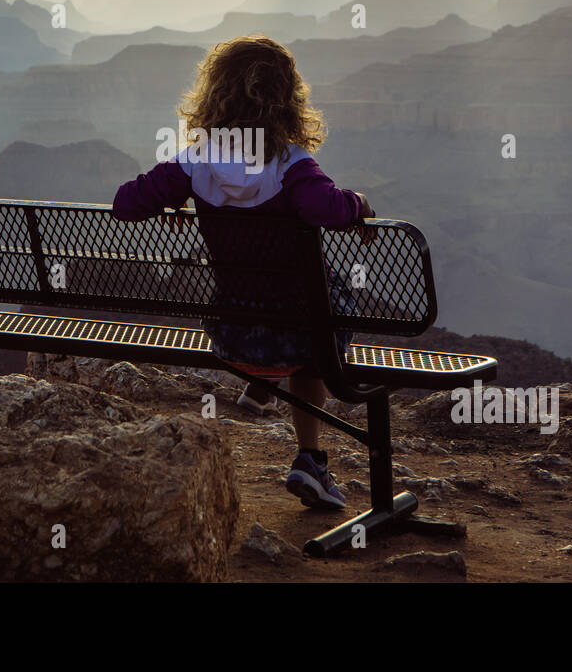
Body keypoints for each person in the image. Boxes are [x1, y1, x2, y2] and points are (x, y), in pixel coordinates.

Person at [112, 35, 375, 510]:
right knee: (325, 299)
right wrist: (360, 203)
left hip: (234, 330)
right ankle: (310, 458)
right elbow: (328, 209)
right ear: (286, 98)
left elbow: (125, 204)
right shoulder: (292, 164)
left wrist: (173, 192)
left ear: (216, 94)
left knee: (294, 307)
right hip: (299, 334)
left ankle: (263, 383)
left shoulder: (195, 162)